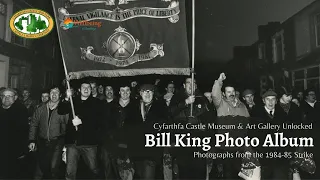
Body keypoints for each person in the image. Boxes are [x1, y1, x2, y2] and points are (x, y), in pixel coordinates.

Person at [58, 79, 104, 180]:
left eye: (88, 88)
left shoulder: (97, 103)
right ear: (79, 89)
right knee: (70, 172)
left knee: (94, 169)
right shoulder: (73, 101)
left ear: (91, 90)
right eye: (84, 87)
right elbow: (61, 110)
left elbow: (99, 121)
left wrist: (82, 121)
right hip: (73, 143)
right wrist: (66, 97)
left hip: (89, 142)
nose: (86, 89)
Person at [211, 73, 250, 179]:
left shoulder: (242, 106)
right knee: (228, 175)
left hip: (240, 148)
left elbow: (247, 127)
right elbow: (215, 94)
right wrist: (219, 80)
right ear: (223, 94)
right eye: (228, 92)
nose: (231, 94)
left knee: (240, 176)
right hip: (225, 148)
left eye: (232, 91)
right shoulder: (220, 104)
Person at [126, 84, 168, 180]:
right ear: (140, 93)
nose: (147, 93)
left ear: (154, 93)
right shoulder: (132, 108)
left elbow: (165, 126)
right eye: (145, 91)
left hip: (152, 152)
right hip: (136, 152)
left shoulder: (161, 107)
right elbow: (128, 128)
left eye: (150, 91)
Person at [169, 77, 208, 179]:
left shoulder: (202, 98)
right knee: (185, 173)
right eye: (188, 82)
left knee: (199, 173)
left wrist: (200, 123)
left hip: (199, 143)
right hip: (183, 142)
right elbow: (171, 113)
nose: (191, 85)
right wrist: (185, 103)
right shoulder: (177, 98)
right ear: (184, 85)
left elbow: (209, 117)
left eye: (193, 82)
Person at [28, 85, 68, 179]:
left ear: (60, 95)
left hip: (57, 142)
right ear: (49, 94)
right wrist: (31, 140)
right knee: (41, 167)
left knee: (54, 167)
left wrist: (66, 145)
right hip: (42, 142)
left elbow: (67, 127)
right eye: (52, 92)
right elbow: (34, 124)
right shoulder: (40, 108)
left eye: (56, 92)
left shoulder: (64, 108)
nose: (54, 95)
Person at [0, 88, 29, 179]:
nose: (6, 98)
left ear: (15, 98)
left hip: (13, 150)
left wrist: (22, 150)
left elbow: (24, 132)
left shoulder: (20, 110)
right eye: (4, 96)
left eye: (9, 96)